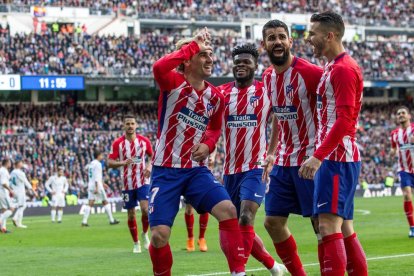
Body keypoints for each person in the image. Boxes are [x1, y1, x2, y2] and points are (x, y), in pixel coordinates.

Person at [150, 28, 246, 276]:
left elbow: (215, 128)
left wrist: (209, 144)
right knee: (159, 236)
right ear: (188, 59)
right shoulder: (172, 84)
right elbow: (158, 68)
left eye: (211, 54)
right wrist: (193, 45)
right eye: (204, 54)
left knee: (229, 211)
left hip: (195, 171)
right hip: (166, 170)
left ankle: (239, 273)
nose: (210, 59)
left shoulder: (215, 97)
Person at [300, 11, 368, 275]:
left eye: (312, 33)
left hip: (337, 159)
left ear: (329, 35)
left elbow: (344, 121)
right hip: (334, 158)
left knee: (328, 226)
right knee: (344, 228)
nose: (309, 38)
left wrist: (318, 156)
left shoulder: (343, 69)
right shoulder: (333, 66)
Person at [260, 19, 323, 275]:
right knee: (272, 222)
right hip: (284, 162)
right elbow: (278, 114)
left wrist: (323, 153)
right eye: (271, 37)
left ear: (290, 41)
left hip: (310, 160)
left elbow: (334, 107)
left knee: (322, 226)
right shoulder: (266, 77)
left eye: (281, 37)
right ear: (264, 44)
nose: (277, 42)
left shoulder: (310, 73)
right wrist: (272, 151)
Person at [218, 43, 285, 275]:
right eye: (237, 62)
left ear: (255, 65)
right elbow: (211, 126)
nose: (241, 65)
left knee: (246, 216)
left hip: (255, 167)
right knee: (233, 227)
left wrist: (272, 151)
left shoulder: (265, 91)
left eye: (246, 61)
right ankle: (273, 266)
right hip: (229, 171)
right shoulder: (223, 93)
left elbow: (278, 116)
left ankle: (239, 272)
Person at [108, 115, 153, 254]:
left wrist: (149, 167)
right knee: (131, 214)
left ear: (136, 125)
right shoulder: (117, 143)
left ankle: (145, 234)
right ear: (123, 126)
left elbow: (152, 155)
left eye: (132, 123)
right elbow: (110, 162)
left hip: (143, 181)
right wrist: (123, 162)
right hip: (127, 183)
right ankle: (136, 243)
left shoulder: (144, 141)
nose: (130, 126)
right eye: (127, 123)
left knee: (146, 209)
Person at [390, 106, 414, 237]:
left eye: (403, 113)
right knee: (407, 195)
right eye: (398, 113)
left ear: (409, 116)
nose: (401, 115)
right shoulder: (394, 134)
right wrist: (392, 152)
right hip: (404, 169)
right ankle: (412, 227)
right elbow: (393, 148)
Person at [82, 151, 119, 227]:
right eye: (101, 155)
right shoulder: (98, 164)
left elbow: (94, 176)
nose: (102, 157)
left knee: (90, 202)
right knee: (105, 201)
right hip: (97, 185)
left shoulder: (91, 164)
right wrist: (97, 187)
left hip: (91, 184)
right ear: (98, 156)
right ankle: (111, 220)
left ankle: (84, 221)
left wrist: (102, 183)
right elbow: (97, 176)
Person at [10, 158, 37, 228]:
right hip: (20, 191)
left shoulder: (12, 172)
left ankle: (19, 223)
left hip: (14, 191)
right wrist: (33, 191)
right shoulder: (20, 173)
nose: (22, 164)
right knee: (22, 206)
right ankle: (15, 218)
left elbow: (10, 183)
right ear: (18, 164)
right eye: (21, 163)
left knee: (22, 205)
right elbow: (26, 182)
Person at [0, 159, 14, 233]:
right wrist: (10, 190)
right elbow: (3, 183)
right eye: (10, 162)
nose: (11, 164)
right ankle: (0, 220)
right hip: (3, 192)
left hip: (1, 192)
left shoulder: (1, 170)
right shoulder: (4, 171)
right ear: (7, 163)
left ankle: (3, 228)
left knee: (4, 210)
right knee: (12, 208)